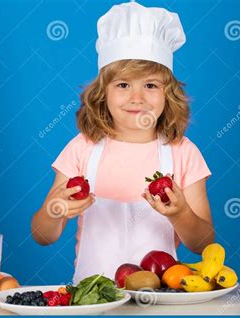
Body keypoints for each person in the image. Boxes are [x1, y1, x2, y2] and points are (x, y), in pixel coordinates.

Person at [32, 2, 214, 284]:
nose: (137, 98)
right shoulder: (82, 148)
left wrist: (181, 214)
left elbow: (203, 243)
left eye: (150, 85)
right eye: (123, 85)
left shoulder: (184, 153)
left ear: (169, 95)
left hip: (160, 301)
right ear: (102, 93)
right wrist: (55, 210)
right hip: (92, 303)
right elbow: (43, 236)